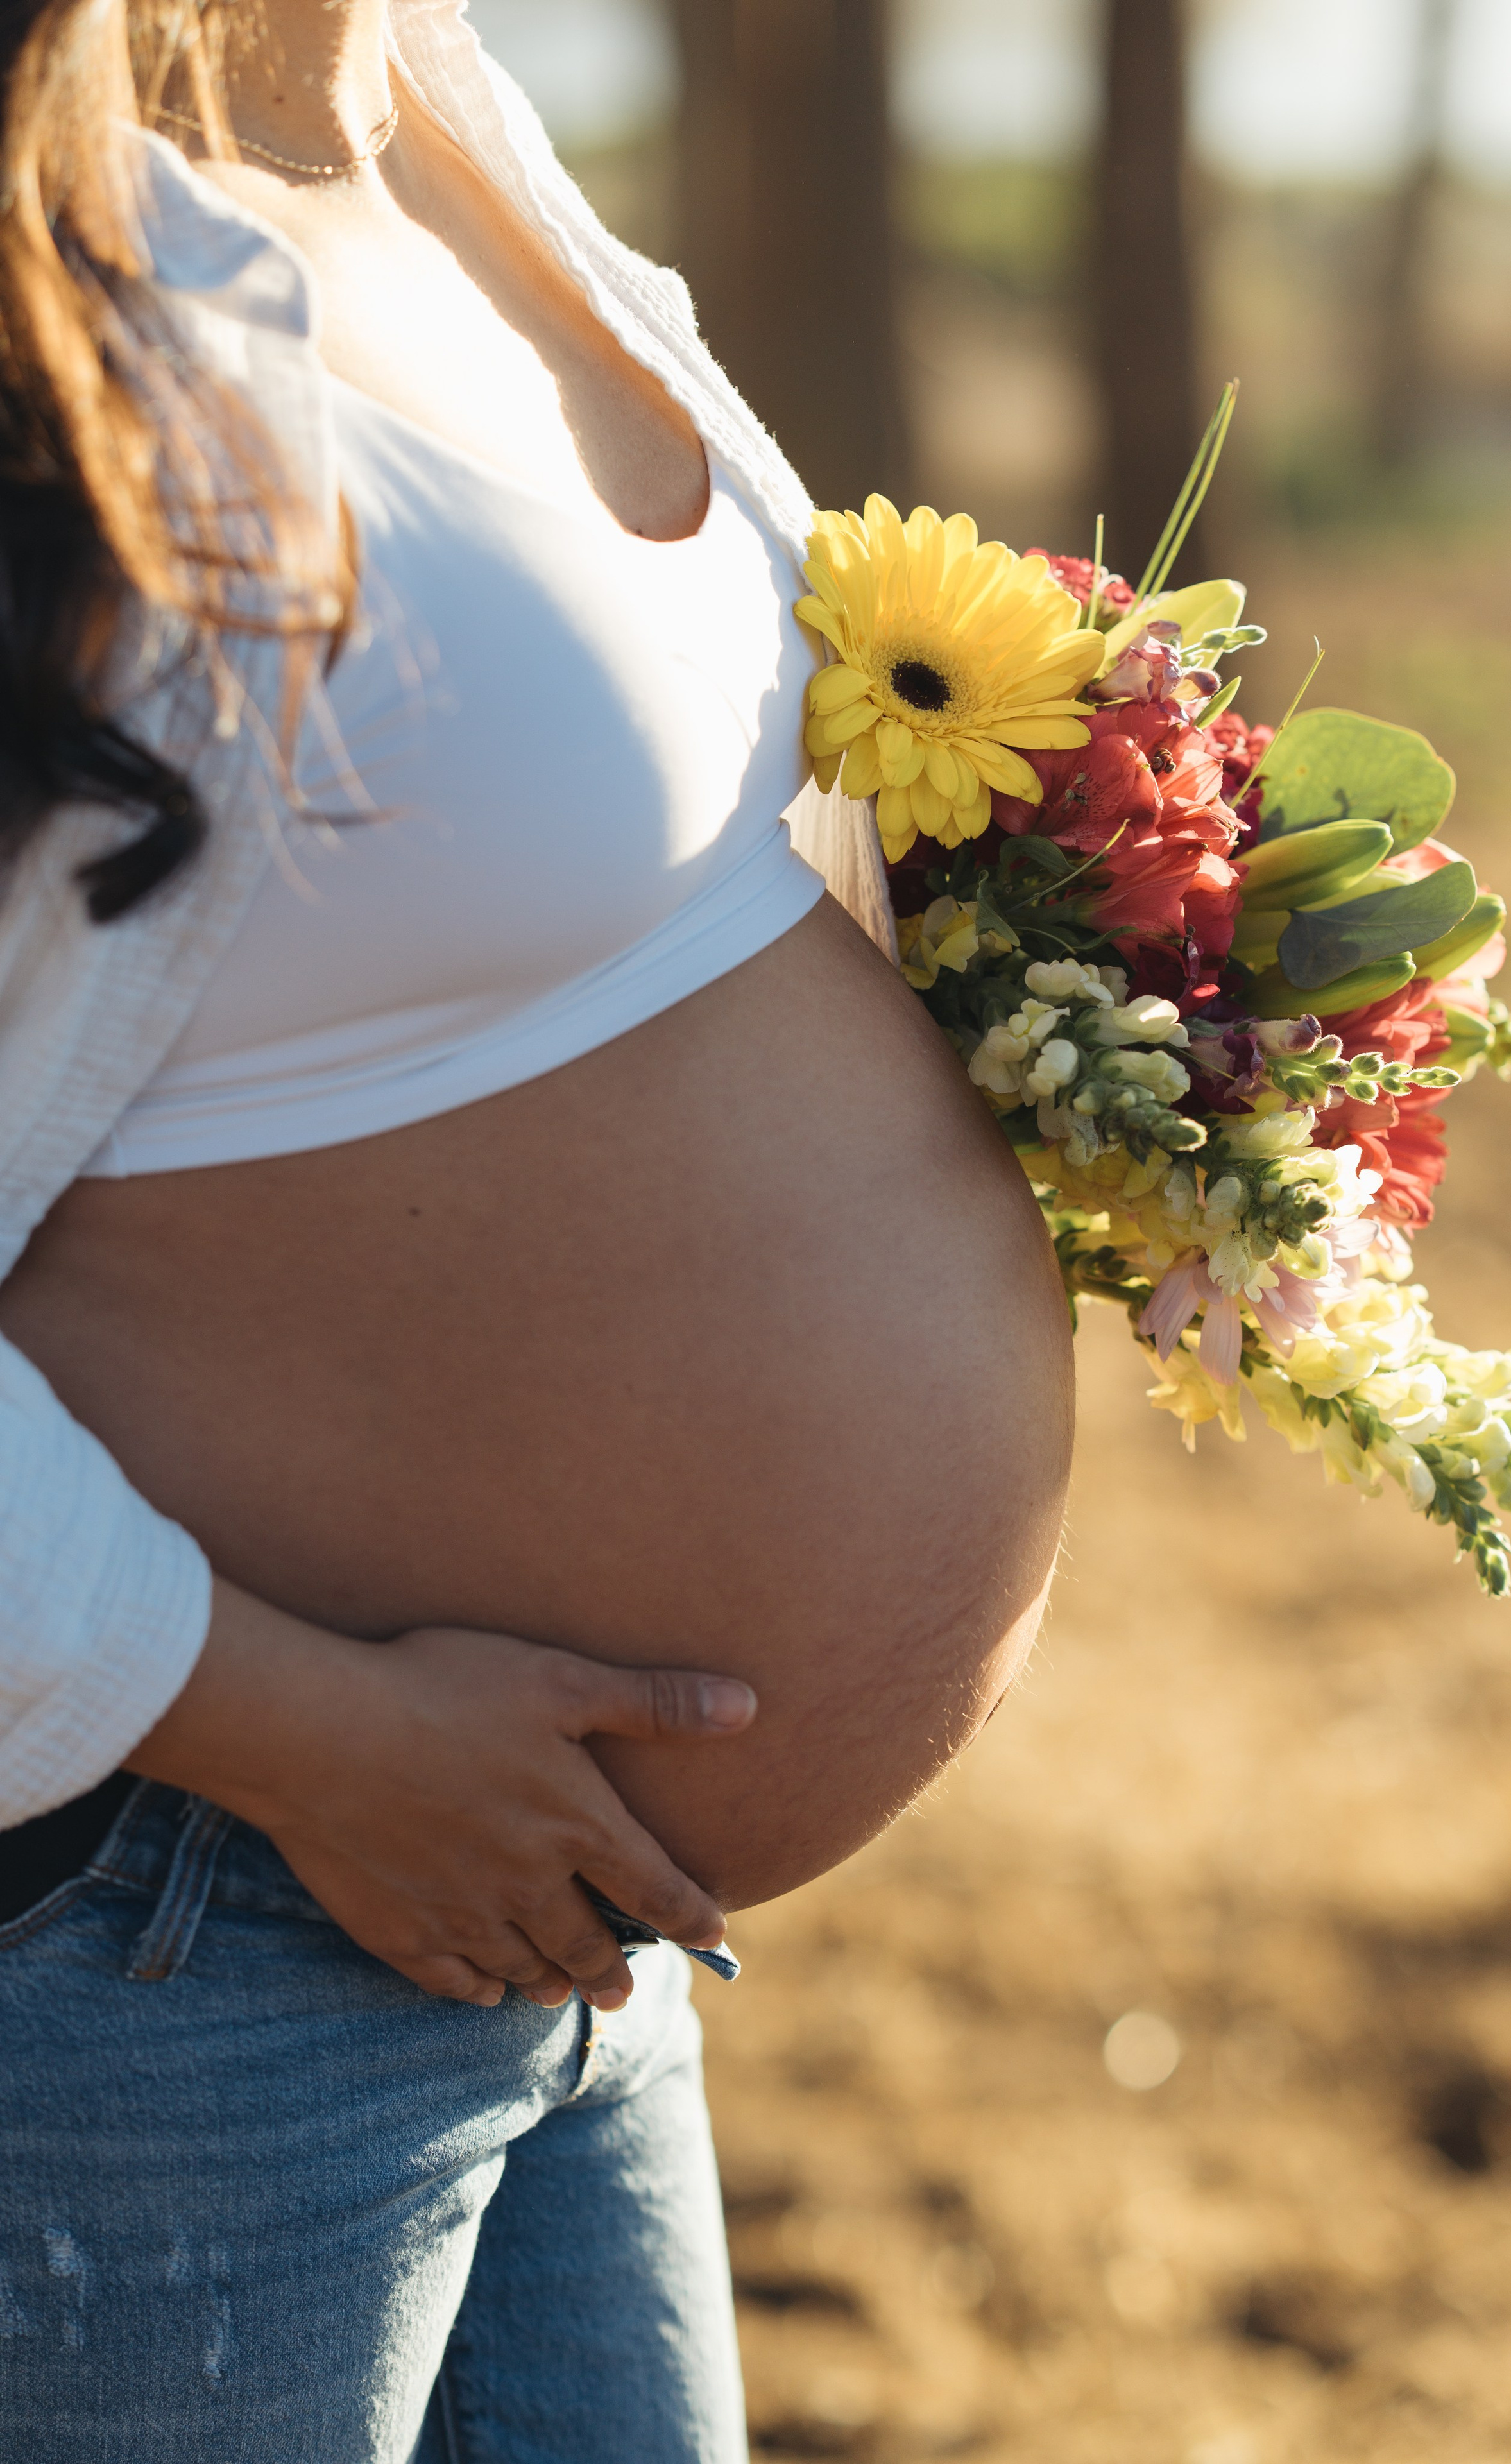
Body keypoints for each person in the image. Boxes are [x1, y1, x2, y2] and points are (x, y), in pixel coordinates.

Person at [0, 0, 1075, 2454]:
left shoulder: (426, 122)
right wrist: (292, 1729)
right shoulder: (45, 275)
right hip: (178, 1912)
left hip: (543, 1924)